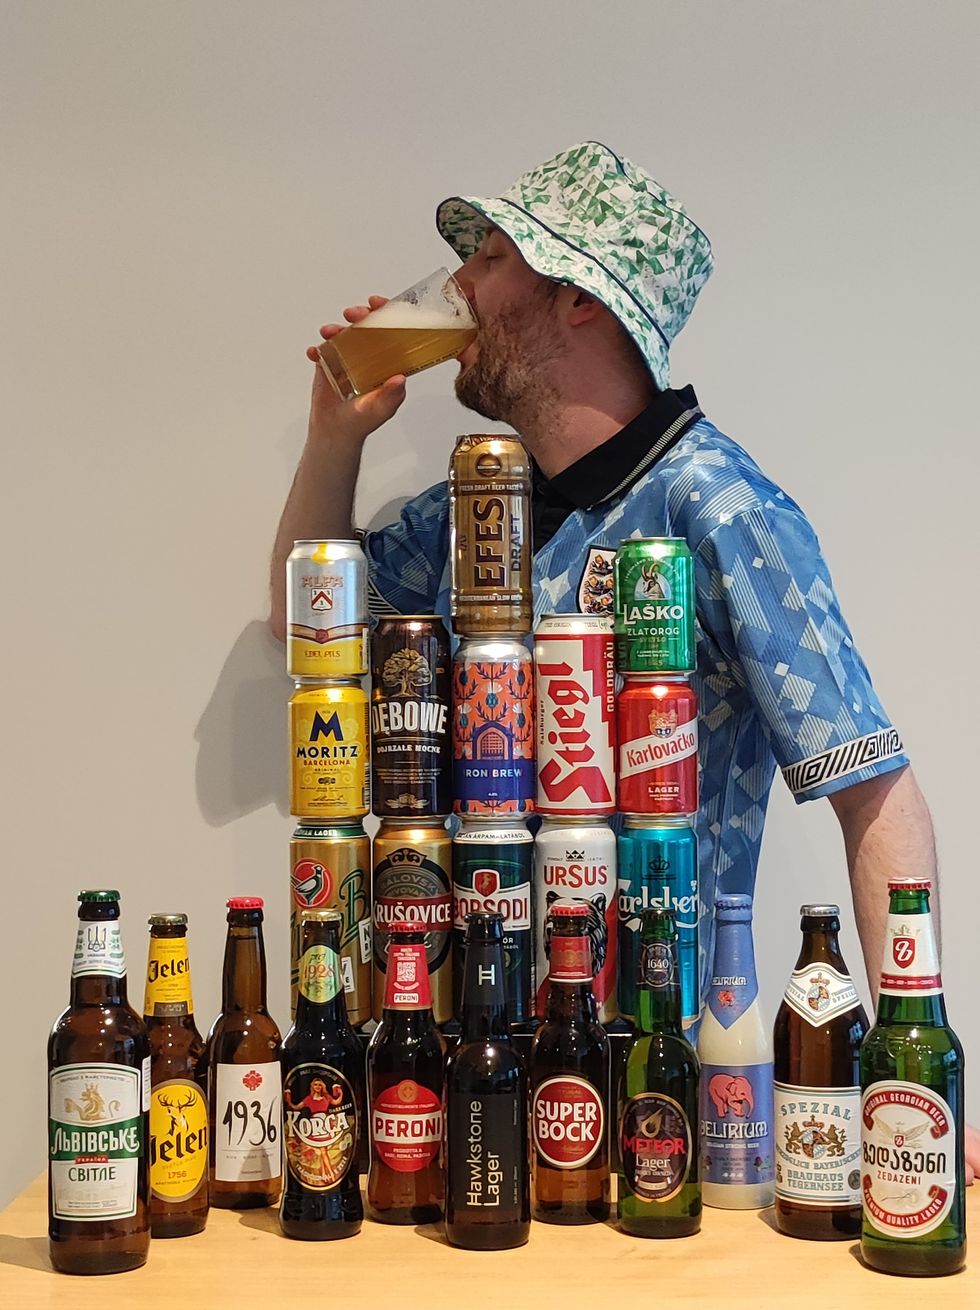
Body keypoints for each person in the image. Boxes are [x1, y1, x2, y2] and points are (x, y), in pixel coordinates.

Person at [270, 142, 976, 1178]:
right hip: (468, 1062)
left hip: (654, 1085)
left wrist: (916, 1077)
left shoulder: (722, 506)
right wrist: (334, 438)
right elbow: (306, 623)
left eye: (495, 254)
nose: (458, 285)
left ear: (582, 301)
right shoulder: (486, 506)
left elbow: (873, 786)